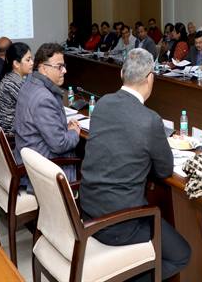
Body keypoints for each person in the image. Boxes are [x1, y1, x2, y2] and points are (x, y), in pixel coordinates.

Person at [80, 48, 191, 280]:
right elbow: (164, 170)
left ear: (122, 73)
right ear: (150, 78)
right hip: (121, 224)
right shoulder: (150, 120)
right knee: (182, 255)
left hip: (88, 211)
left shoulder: (102, 103)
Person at [13, 43, 80, 192]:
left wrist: (64, 129)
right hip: (40, 170)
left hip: (27, 157)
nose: (64, 70)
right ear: (43, 68)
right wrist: (74, 132)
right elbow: (60, 145)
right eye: (59, 67)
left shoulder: (29, 83)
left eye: (64, 66)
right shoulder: (44, 98)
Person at [0, 43, 33, 135]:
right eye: (28, 60)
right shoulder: (12, 83)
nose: (32, 63)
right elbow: (34, 106)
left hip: (9, 127)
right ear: (16, 64)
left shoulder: (12, 77)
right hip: (9, 133)